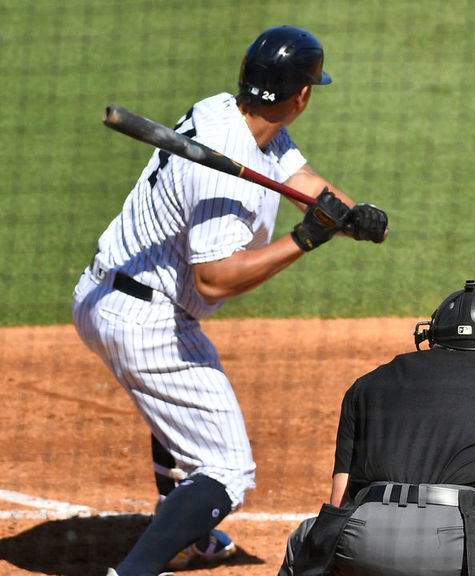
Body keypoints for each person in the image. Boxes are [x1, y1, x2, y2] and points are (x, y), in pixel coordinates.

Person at [71, 25, 388, 576]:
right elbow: (216, 279)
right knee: (227, 469)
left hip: (105, 293)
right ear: (303, 95)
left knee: (181, 413)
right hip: (146, 322)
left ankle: (188, 531)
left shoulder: (225, 111)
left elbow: (298, 175)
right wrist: (302, 240)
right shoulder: (229, 176)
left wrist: (349, 215)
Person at [280, 280, 475, 576]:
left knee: (303, 543)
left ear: (431, 339)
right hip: (464, 546)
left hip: (364, 539)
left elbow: (340, 501)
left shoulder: (367, 384)